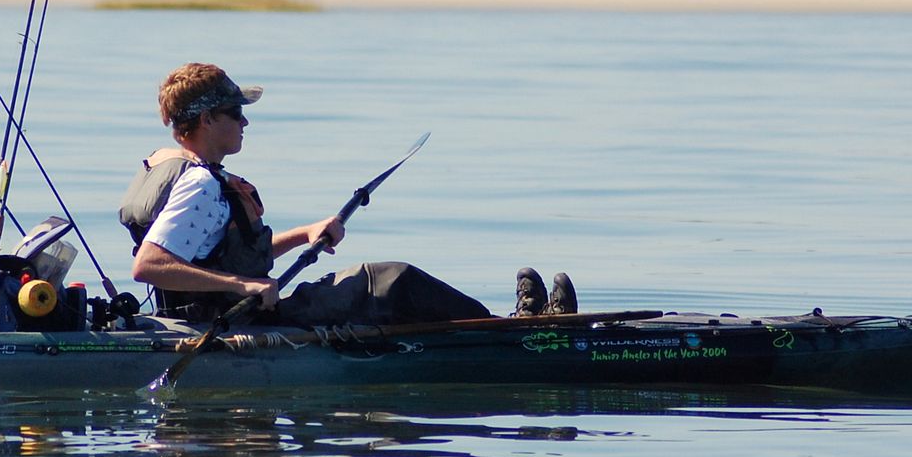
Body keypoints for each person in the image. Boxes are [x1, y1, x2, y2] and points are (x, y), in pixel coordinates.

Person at [119, 62, 577, 326]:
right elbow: (150, 266)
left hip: (234, 311)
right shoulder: (198, 183)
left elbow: (217, 255)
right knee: (393, 280)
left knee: (382, 283)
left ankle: (506, 327)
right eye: (236, 112)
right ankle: (509, 334)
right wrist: (241, 287)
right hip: (238, 323)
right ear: (204, 122)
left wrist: (304, 234)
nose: (245, 122)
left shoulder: (178, 170)